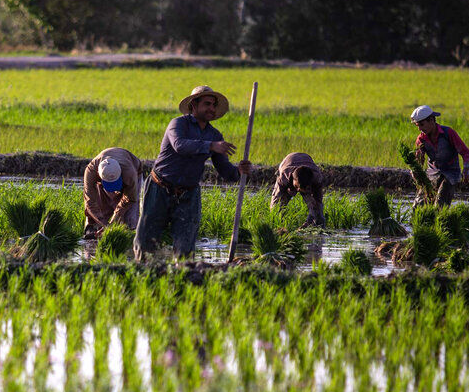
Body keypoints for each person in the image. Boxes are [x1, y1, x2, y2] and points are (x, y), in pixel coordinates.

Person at [134, 85, 252, 260]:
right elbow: (180, 145)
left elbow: (225, 171)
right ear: (193, 106)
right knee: (145, 243)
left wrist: (240, 172)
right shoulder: (178, 124)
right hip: (160, 187)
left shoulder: (215, 135)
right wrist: (210, 146)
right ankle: (141, 274)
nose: (211, 108)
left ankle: (183, 277)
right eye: (207, 104)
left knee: (185, 247)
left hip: (188, 194)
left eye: (213, 105)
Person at [410, 105, 469, 206]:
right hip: (432, 174)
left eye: (422, 125)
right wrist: (415, 171)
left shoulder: (448, 133)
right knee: (418, 205)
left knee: (439, 204)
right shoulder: (421, 139)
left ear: (431, 120)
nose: (420, 129)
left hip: (450, 174)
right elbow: (418, 162)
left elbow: (466, 153)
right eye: (417, 126)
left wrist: (466, 170)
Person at [82, 147, 142, 238]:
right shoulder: (91, 171)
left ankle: (129, 237)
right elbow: (90, 202)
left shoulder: (130, 173)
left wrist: (115, 218)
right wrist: (105, 224)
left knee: (129, 218)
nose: (114, 191)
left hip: (132, 174)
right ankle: (92, 231)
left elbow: (130, 198)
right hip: (101, 179)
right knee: (99, 211)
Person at [270, 152, 325, 226]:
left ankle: (317, 224)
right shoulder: (284, 177)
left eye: (301, 189)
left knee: (317, 209)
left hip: (307, 166)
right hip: (288, 162)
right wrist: (276, 217)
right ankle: (278, 224)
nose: (298, 191)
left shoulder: (317, 178)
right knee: (278, 206)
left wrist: (311, 219)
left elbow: (318, 201)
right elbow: (276, 200)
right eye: (296, 187)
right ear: (293, 180)